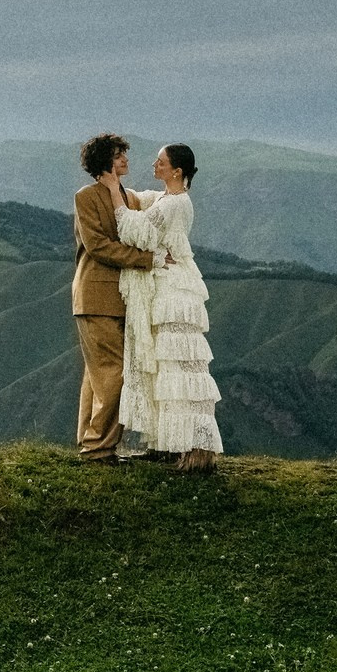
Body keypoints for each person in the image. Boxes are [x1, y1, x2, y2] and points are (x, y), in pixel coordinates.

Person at [113, 143, 222, 471]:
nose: (154, 164)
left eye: (160, 162)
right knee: (167, 368)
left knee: (178, 367)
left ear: (176, 171)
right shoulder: (166, 199)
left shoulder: (175, 204)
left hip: (173, 292)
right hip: (169, 287)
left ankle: (195, 450)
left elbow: (135, 229)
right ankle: (171, 444)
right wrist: (115, 182)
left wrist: (110, 191)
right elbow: (141, 198)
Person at [70, 133, 159, 462]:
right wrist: (147, 259)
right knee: (113, 373)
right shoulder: (86, 197)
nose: (124, 159)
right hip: (94, 295)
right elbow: (98, 247)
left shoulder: (129, 197)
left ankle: (89, 440)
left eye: (124, 154)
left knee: (98, 375)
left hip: (123, 298)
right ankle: (98, 448)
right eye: (118, 155)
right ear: (102, 160)